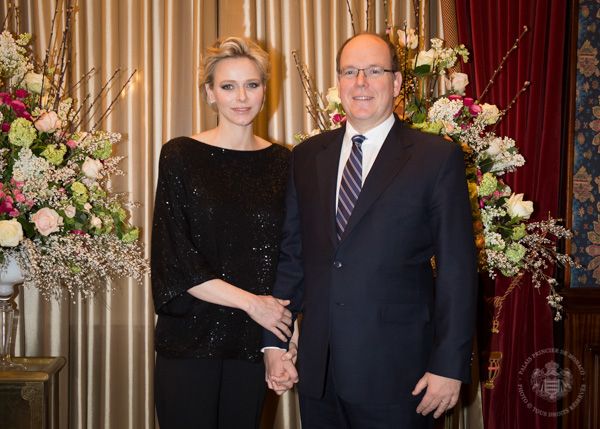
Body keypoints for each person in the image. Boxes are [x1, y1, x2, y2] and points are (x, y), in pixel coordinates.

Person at [263, 33, 478, 428]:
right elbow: (293, 258)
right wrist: (275, 343)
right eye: (350, 71)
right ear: (339, 82)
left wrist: (450, 365)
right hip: (319, 376)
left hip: (401, 377)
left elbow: (457, 270)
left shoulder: (435, 157)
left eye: (374, 70)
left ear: (396, 83)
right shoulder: (308, 156)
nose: (360, 82)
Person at [151, 36, 294, 429]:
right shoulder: (180, 155)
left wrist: (284, 339)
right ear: (209, 94)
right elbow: (175, 260)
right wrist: (253, 303)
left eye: (251, 84)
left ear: (265, 90)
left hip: (252, 345)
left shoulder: (284, 163)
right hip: (189, 341)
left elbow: (291, 256)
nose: (241, 97)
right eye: (228, 86)